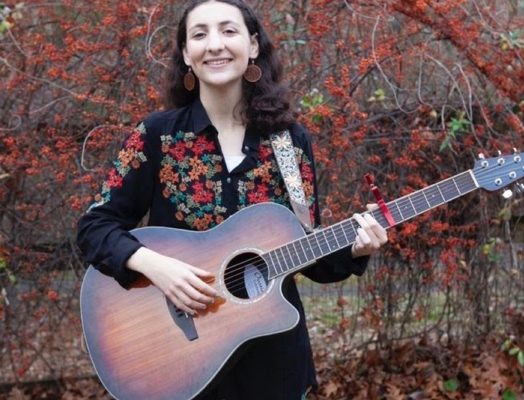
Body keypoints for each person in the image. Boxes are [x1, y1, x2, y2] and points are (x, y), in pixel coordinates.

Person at [77, 0, 388, 399]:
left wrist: (357, 248)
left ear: (253, 45)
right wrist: (156, 266)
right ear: (186, 53)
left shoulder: (290, 142)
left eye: (228, 31)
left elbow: (307, 252)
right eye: (200, 34)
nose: (215, 45)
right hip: (180, 360)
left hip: (272, 364)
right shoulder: (157, 136)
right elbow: (94, 227)